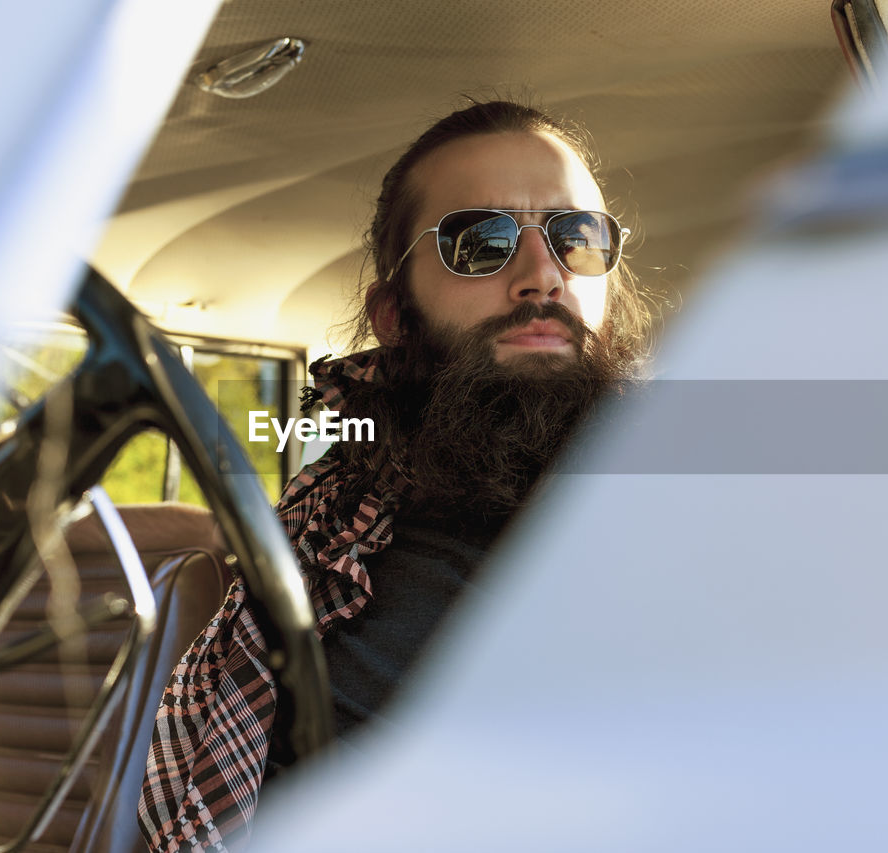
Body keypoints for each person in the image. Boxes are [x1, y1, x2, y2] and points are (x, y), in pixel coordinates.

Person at [137, 99, 652, 852]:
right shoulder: (327, 521)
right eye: (480, 243)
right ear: (394, 314)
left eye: (579, 239)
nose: (543, 275)